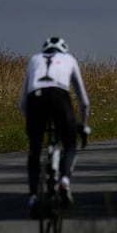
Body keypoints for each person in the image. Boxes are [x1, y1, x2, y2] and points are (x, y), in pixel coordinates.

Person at [19, 37, 90, 215]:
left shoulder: (34, 59)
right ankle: (64, 180)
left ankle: (34, 197)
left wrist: (32, 127)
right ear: (63, 50)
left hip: (36, 98)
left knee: (34, 151)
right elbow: (84, 102)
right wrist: (83, 125)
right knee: (70, 143)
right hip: (60, 97)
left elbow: (22, 104)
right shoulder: (70, 59)